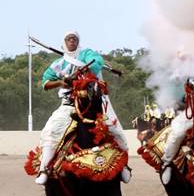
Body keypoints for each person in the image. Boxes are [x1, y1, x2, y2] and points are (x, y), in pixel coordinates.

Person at [35, 32, 131, 185]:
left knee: (115, 129)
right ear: (64, 42)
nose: (72, 41)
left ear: (78, 41)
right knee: (51, 130)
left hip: (93, 104)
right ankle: (44, 169)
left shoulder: (86, 54)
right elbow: (45, 83)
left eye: (74, 38)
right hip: (69, 105)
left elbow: (96, 62)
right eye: (68, 39)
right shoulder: (58, 64)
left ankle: (124, 166)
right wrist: (62, 82)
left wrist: (84, 69)